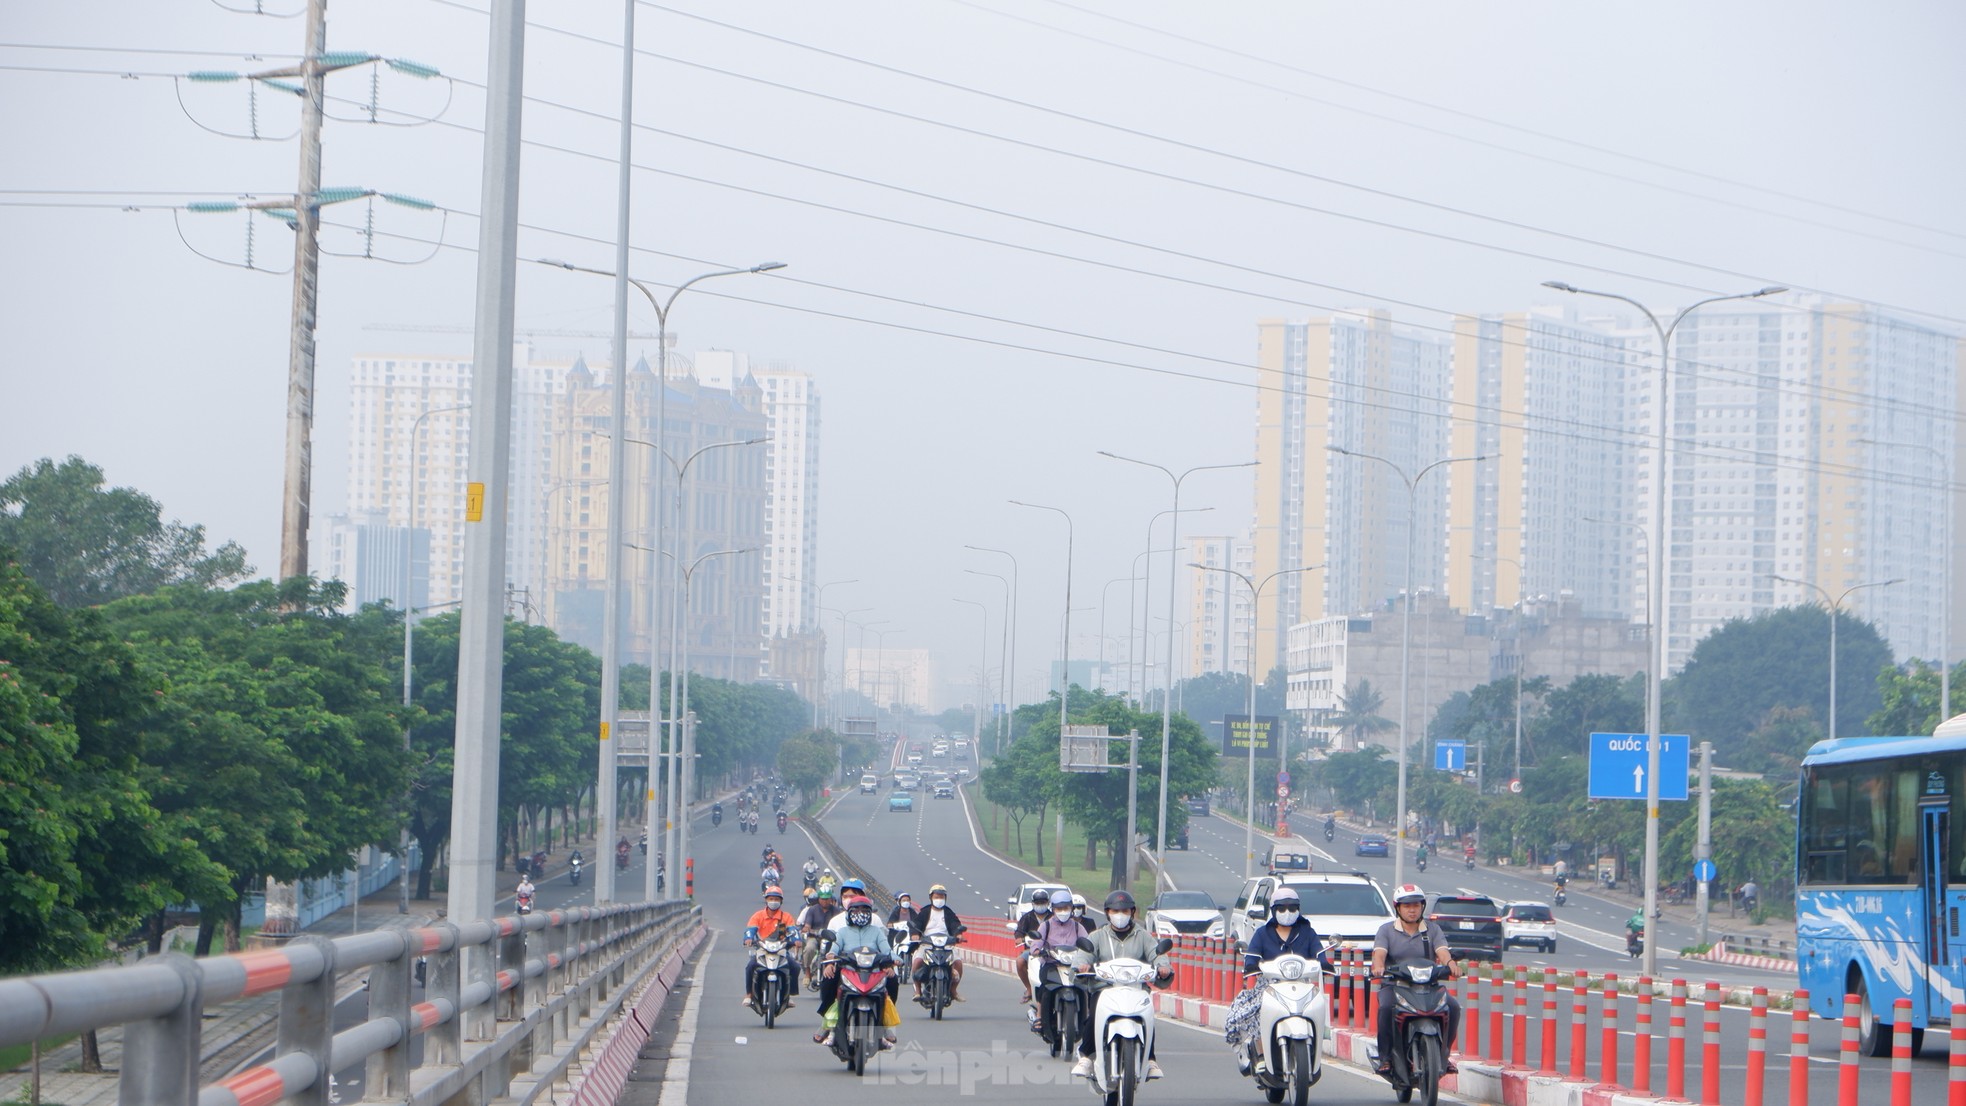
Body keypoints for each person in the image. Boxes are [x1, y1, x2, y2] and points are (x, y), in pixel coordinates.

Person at [1071, 891, 1172, 1080]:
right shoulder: (1097, 936)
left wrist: (1163, 967)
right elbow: (1083, 956)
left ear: (1132, 912)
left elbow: (1157, 954)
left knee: (1148, 1014)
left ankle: (1150, 1060)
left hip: (1136, 989)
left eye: (1124, 910)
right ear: (1107, 912)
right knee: (1094, 1012)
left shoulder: (1143, 936)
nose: (1120, 914)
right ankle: (1086, 1056)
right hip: (1105, 989)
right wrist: (1081, 966)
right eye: (1115, 910)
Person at [1227, 887, 1326, 1072]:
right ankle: (1261, 1053)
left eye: (1292, 908)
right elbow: (1252, 954)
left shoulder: (1307, 932)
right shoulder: (1263, 933)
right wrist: (1251, 965)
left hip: (1301, 984)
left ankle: (1313, 1051)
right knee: (1252, 1010)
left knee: (1318, 1005)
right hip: (1269, 985)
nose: (1287, 913)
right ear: (1273, 910)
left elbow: (1319, 952)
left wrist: (1325, 963)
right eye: (1282, 908)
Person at [1370, 884, 1460, 1077]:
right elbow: (1379, 953)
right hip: (1395, 985)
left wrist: (1451, 963)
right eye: (1407, 906)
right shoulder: (1386, 930)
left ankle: (1444, 1055)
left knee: (1453, 1007)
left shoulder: (1432, 929)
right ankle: (1385, 1057)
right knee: (1385, 1008)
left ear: (1422, 907)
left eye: (1416, 905)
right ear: (1398, 908)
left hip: (1428, 986)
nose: (1412, 910)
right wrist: (1378, 967)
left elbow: (1442, 951)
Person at [814, 895, 898, 1050]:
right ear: (849, 913)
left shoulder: (877, 932)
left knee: (892, 981)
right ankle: (829, 1028)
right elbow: (834, 949)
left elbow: (886, 950)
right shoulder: (842, 932)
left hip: (873, 970)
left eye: (865, 909)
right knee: (828, 981)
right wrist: (831, 961)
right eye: (856, 909)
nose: (860, 912)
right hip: (848, 969)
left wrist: (895, 960)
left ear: (870, 913)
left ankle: (885, 1027)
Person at [1029, 890, 1093, 1042]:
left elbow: (1088, 943)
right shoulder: (1046, 926)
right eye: (1059, 908)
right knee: (1044, 988)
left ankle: (1089, 1017)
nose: (1063, 911)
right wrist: (1038, 950)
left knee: (1087, 988)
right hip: (1051, 965)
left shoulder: (1078, 927)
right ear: (1053, 909)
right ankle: (1040, 1017)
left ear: (1071, 908)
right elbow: (1036, 943)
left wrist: (1088, 955)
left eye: (1066, 908)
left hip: (1074, 967)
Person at [742, 887, 801, 1008]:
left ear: (781, 901)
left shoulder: (786, 917)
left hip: (781, 949)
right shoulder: (758, 916)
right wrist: (748, 939)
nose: (773, 901)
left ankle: (789, 995)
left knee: (795, 967)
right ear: (766, 900)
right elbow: (750, 930)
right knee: (750, 967)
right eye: (771, 899)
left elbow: (793, 930)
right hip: (763, 949)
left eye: (776, 899)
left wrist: (797, 940)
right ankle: (748, 994)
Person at [910, 884, 967, 1003]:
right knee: (917, 961)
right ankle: (918, 991)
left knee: (958, 963)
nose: (939, 899)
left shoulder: (948, 912)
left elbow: (955, 925)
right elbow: (917, 925)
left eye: (941, 897)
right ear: (931, 897)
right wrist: (915, 934)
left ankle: (953, 990)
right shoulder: (925, 912)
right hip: (927, 944)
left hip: (946, 945)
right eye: (937, 896)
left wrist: (958, 935)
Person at [1012, 890, 1057, 1004]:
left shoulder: (1054, 918)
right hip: (1032, 951)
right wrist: (1021, 939)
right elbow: (1019, 933)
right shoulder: (1027, 917)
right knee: (1020, 962)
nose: (1040, 904)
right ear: (1033, 903)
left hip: (1051, 951)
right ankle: (1029, 988)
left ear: (1048, 903)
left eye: (1043, 902)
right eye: (1038, 902)